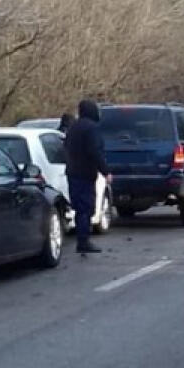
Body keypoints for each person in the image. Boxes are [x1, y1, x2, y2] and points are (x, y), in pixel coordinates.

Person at [64, 99, 110, 254]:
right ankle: (84, 241)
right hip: (85, 173)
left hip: (72, 172)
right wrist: (106, 171)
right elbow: (95, 151)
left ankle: (81, 239)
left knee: (79, 207)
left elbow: (66, 147)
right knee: (86, 207)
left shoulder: (73, 128)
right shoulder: (91, 129)